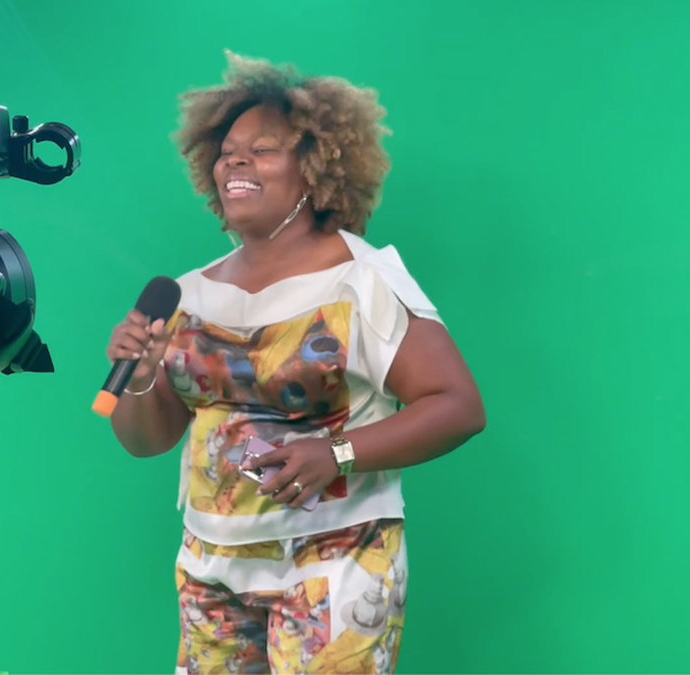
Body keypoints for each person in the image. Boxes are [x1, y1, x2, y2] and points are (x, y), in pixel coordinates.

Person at [104, 50, 486, 674]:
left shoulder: (361, 281)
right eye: (227, 150)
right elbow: (147, 442)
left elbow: (458, 406)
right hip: (210, 566)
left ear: (314, 170)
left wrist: (334, 453)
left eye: (264, 149)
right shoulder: (188, 294)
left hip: (336, 556)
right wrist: (142, 375)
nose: (236, 159)